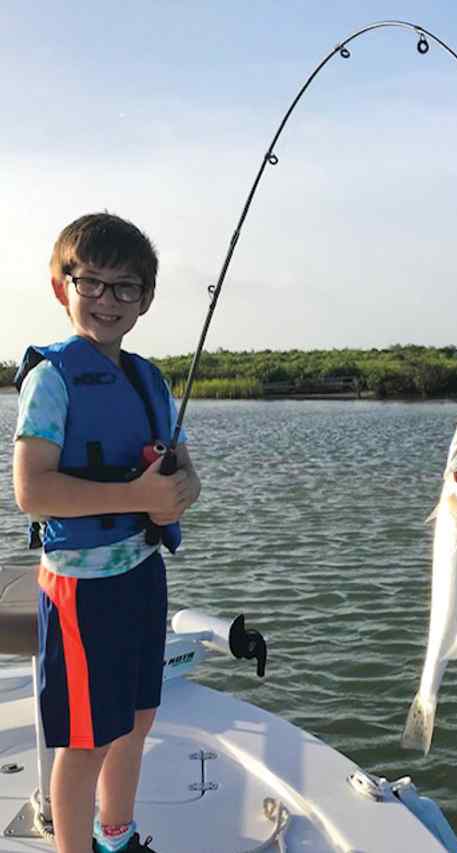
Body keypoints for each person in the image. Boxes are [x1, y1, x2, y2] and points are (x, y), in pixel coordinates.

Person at [13, 213, 201, 853]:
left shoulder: (150, 379)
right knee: (86, 738)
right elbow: (31, 490)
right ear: (61, 286)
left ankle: (116, 839)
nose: (106, 300)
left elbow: (184, 471)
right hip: (82, 590)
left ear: (145, 300)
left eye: (125, 288)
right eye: (91, 283)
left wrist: (178, 493)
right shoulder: (51, 380)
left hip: (142, 576)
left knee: (137, 720)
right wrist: (136, 496)